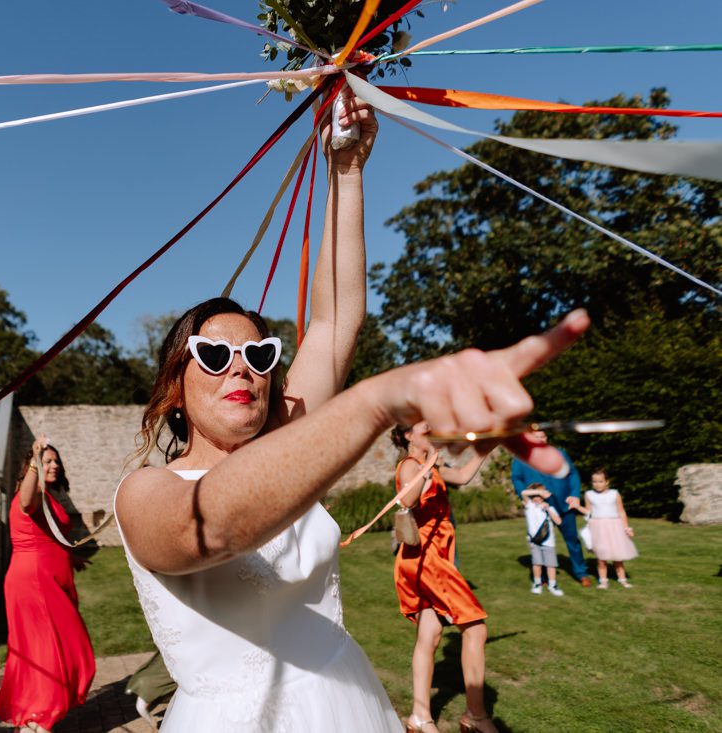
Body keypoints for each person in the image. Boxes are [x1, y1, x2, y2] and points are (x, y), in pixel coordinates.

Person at [114, 86, 587, 732]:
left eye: (260, 355)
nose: (242, 369)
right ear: (175, 385)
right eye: (214, 356)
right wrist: (378, 398)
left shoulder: (289, 436)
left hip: (346, 701)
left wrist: (347, 170)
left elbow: (336, 320)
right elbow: (212, 526)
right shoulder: (144, 492)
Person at [391, 423, 496, 733]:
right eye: (427, 428)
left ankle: (419, 718)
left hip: (427, 559)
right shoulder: (411, 465)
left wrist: (482, 453)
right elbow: (407, 501)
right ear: (409, 435)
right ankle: (475, 716)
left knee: (430, 636)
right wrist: (428, 464)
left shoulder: (432, 466)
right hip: (428, 560)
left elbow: (462, 476)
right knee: (475, 628)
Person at [0, 437, 95, 732]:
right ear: (33, 465)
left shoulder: (47, 497)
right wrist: (36, 456)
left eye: (56, 461)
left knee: (47, 646)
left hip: (48, 579)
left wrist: (71, 558)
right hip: (35, 583)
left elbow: (47, 536)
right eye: (48, 461)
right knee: (52, 648)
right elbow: (25, 502)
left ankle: (32, 709)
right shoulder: (32, 493)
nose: (55, 465)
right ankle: (38, 716)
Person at [510, 432, 591, 586]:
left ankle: (581, 573)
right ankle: (545, 577)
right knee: (542, 541)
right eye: (536, 437)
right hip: (540, 508)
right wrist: (527, 498)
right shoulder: (521, 457)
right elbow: (517, 478)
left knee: (573, 541)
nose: (540, 439)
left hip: (564, 504)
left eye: (543, 436)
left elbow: (572, 473)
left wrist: (574, 494)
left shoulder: (559, 453)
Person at [580, 468, 637, 589]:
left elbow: (621, 511)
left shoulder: (614, 494)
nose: (597, 484)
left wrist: (627, 527)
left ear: (607, 482)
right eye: (594, 481)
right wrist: (576, 506)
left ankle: (622, 579)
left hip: (614, 526)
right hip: (598, 527)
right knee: (601, 557)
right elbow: (588, 512)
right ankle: (603, 581)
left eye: (600, 481)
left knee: (618, 556)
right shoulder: (589, 495)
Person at [520, 483, 564, 596]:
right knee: (537, 564)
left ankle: (553, 585)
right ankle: (537, 583)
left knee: (551, 565)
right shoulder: (529, 506)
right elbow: (523, 493)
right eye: (534, 495)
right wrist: (538, 492)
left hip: (548, 542)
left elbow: (559, 521)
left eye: (540, 495)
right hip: (535, 541)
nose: (537, 498)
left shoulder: (550, 507)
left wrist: (548, 509)